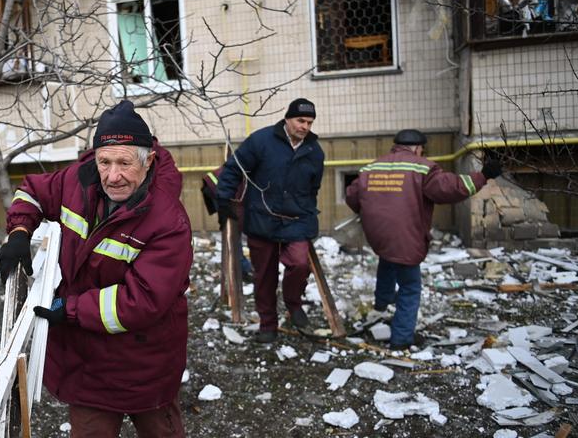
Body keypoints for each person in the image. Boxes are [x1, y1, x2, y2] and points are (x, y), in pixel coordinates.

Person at [0, 100, 192, 437]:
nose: (113, 176)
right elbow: (32, 191)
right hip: (86, 365)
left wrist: (69, 309)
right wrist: (19, 232)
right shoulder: (77, 180)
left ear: (149, 162)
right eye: (104, 161)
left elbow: (141, 301)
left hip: (146, 361)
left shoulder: (168, 220)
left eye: (124, 163)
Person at [345, 129, 503, 350]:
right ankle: (400, 340)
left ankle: (381, 303)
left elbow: (352, 195)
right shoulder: (422, 167)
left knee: (388, 258)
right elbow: (451, 188)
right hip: (405, 236)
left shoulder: (372, 167)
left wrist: (370, 212)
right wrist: (483, 176)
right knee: (410, 286)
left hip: (378, 234)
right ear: (418, 148)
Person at [215, 98, 324, 343]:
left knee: (299, 264)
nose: (305, 126)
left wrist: (307, 216)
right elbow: (233, 168)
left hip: (295, 220)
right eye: (300, 120)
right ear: (287, 119)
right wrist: (224, 200)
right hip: (262, 218)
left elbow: (313, 188)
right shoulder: (261, 141)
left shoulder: (314, 151)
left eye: (309, 122)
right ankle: (268, 325)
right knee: (264, 275)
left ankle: (293, 304)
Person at [201, 167, 254, 281]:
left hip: (215, 186)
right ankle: (244, 269)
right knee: (233, 232)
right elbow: (239, 211)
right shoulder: (253, 182)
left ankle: (244, 268)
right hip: (217, 188)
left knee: (232, 230)